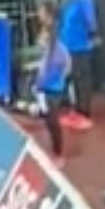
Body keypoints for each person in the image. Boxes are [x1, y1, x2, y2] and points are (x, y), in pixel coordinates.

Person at [57, 0, 98, 130]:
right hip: (68, 47)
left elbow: (91, 21)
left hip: (80, 48)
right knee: (73, 80)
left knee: (82, 81)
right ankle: (76, 111)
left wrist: (92, 36)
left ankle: (84, 114)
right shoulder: (69, 0)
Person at [34, 27, 71, 165]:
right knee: (49, 121)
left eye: (43, 37)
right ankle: (55, 151)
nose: (40, 40)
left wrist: (39, 86)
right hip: (45, 90)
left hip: (53, 91)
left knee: (53, 122)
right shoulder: (49, 51)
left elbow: (54, 74)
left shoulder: (57, 54)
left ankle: (58, 154)